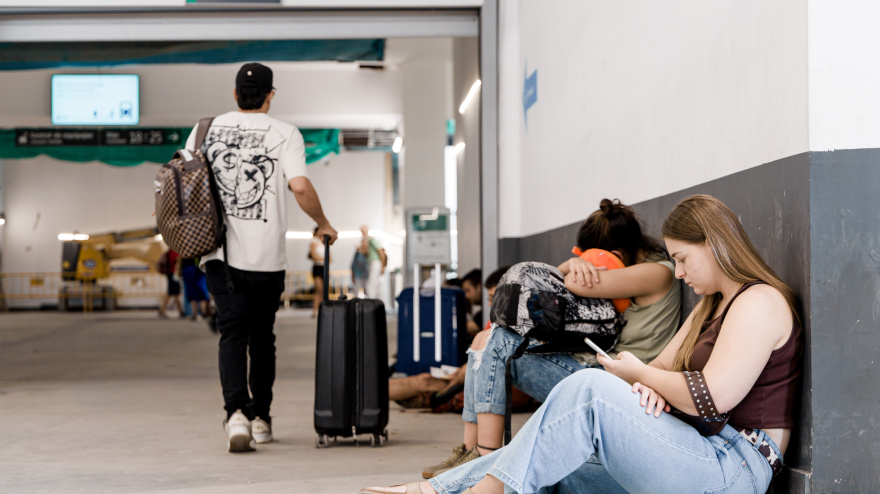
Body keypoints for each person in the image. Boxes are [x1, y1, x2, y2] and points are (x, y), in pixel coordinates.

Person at [363, 194, 803, 494]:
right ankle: (434, 490)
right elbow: (668, 370)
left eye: (684, 259)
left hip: (731, 470)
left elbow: (713, 397)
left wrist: (638, 375)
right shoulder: (712, 305)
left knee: (589, 390)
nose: (680, 273)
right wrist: (648, 379)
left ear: (715, 245)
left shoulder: (760, 301)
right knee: (554, 463)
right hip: (690, 449)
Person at [419, 199, 682, 479]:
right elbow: (552, 283)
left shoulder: (658, 273)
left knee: (498, 343)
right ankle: (469, 452)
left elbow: (570, 283)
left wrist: (575, 265)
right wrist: (574, 263)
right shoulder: (633, 270)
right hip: (595, 367)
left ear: (614, 254)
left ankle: (484, 463)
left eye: (593, 259)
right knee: (484, 339)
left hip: (616, 384)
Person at [187, 62, 338, 453]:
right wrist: (322, 222)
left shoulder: (206, 129)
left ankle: (234, 414)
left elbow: (183, 183)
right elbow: (300, 186)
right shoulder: (286, 133)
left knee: (232, 333)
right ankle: (260, 419)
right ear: (271, 95)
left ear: (235, 95)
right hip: (267, 258)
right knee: (262, 339)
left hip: (218, 253)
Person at [360, 225, 387, 298]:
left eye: (364, 231)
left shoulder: (371, 240)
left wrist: (383, 266)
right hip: (371, 264)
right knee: (375, 285)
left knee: (370, 286)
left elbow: (381, 252)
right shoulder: (365, 242)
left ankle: (371, 304)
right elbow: (366, 253)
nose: (363, 233)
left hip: (376, 263)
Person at [180, 257, 210, 321]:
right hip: (195, 267)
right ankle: (200, 312)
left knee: (196, 290)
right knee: (201, 290)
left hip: (191, 267)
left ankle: (198, 312)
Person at [309, 227, 330, 317]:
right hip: (317, 267)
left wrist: (322, 258)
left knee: (324, 290)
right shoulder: (314, 242)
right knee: (318, 289)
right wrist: (323, 258)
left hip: (324, 267)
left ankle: (322, 309)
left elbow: (331, 258)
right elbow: (314, 256)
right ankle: (315, 309)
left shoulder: (325, 243)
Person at [157, 249, 183, 318]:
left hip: (170, 273)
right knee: (173, 293)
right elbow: (176, 261)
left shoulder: (170, 251)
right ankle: (162, 310)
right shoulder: (174, 251)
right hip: (173, 274)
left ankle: (180, 311)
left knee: (173, 293)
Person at [460, 269, 483, 335]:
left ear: (479, 287)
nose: (466, 296)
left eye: (467, 290)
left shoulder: (481, 317)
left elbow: (471, 327)